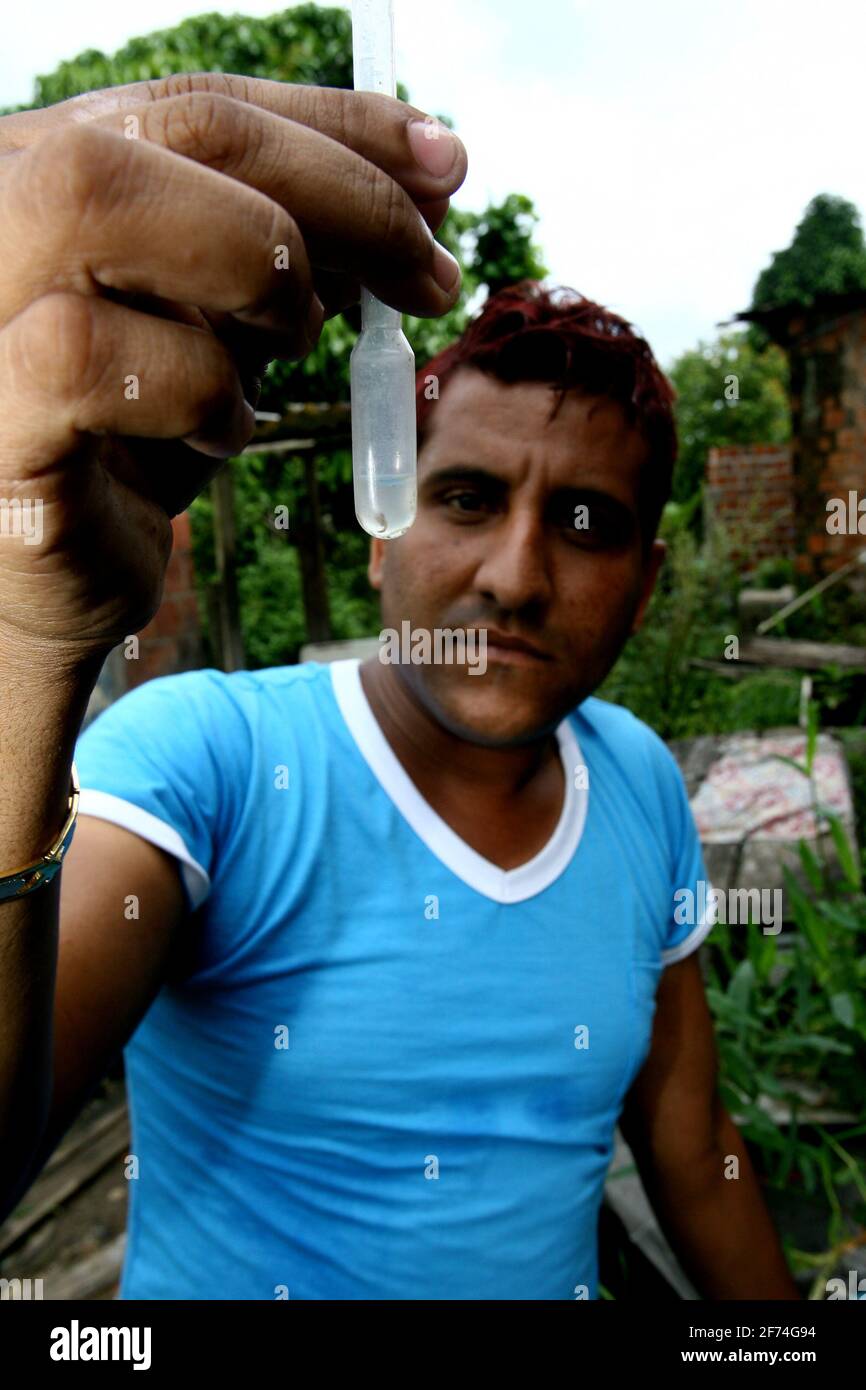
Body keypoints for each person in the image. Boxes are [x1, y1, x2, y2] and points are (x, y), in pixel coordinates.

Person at [0, 73, 797, 1301]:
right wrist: (24, 646)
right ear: (379, 528)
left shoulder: (637, 781)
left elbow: (690, 1154)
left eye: (584, 525)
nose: (516, 578)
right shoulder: (205, 762)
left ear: (643, 586)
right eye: (466, 497)